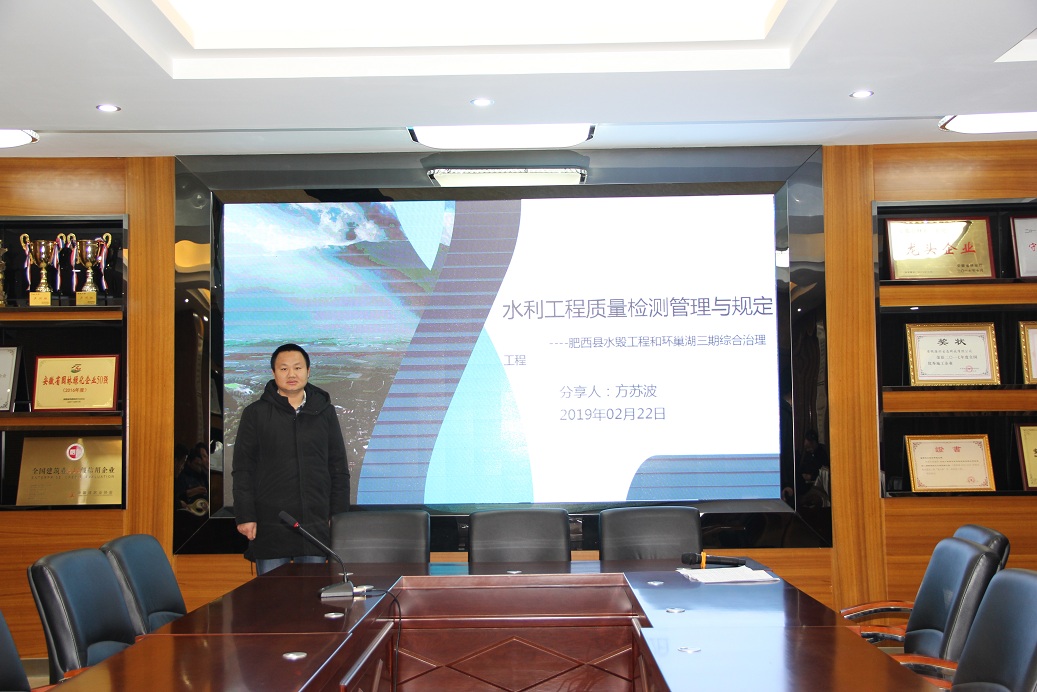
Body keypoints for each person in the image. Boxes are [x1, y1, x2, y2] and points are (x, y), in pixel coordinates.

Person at [233, 343, 350, 575]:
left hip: (315, 523)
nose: (291, 374)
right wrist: (245, 516)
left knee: (313, 593)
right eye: (284, 368)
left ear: (308, 371)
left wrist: (338, 517)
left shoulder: (324, 412)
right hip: (270, 523)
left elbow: (338, 467)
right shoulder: (255, 413)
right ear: (274, 373)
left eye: (297, 368)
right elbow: (243, 469)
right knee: (272, 594)